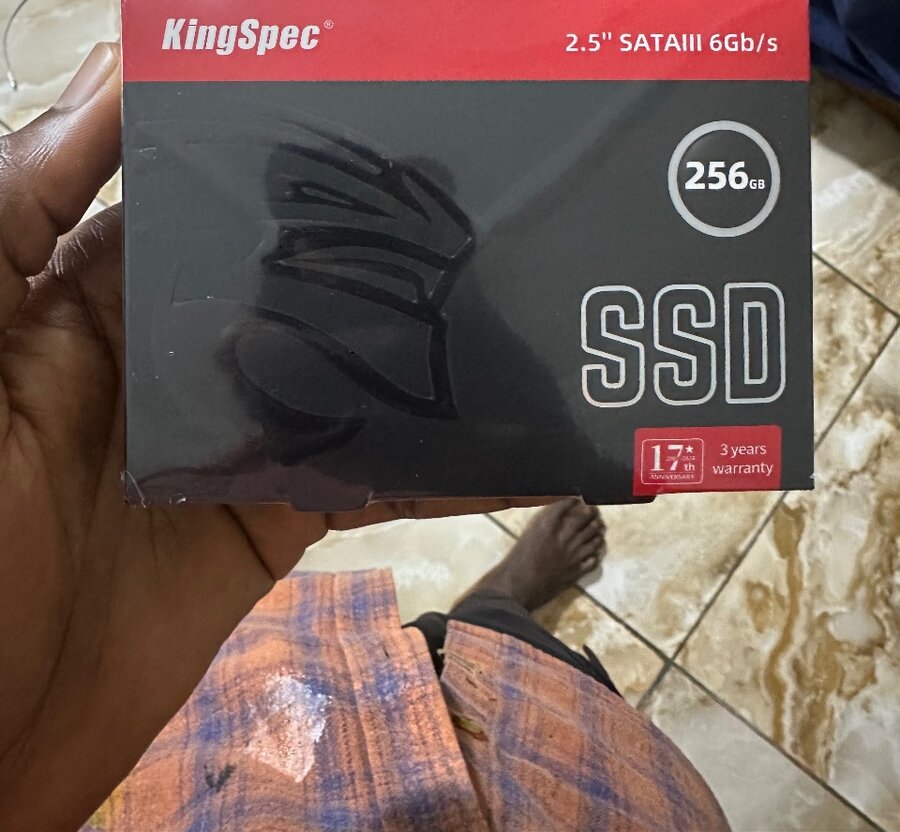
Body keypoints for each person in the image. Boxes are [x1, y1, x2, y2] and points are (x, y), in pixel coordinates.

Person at [0, 44, 729, 831]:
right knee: (512, 663)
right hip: (541, 789)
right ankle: (494, 608)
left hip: (204, 745)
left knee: (422, 610)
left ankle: (489, 601)